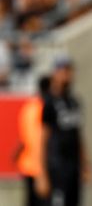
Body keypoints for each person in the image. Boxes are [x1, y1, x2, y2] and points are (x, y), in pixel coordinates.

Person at [39, 56, 90, 206]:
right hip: (56, 167)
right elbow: (42, 140)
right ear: (54, 73)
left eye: (69, 70)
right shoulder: (49, 103)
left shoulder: (74, 102)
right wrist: (42, 174)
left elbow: (78, 135)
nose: (66, 74)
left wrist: (85, 165)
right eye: (63, 70)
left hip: (73, 167)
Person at [15, 76, 50, 206]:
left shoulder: (28, 107)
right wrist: (42, 171)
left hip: (27, 164)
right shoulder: (44, 109)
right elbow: (38, 140)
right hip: (39, 166)